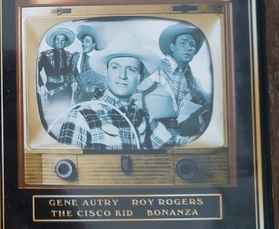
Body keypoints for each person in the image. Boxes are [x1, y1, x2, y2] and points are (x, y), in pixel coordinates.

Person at [57, 32, 197, 150]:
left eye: (131, 69)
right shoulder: (80, 116)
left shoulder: (143, 118)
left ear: (139, 77)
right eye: (115, 67)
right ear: (106, 71)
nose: (122, 75)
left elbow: (172, 144)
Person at [139, 23, 211, 136]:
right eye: (183, 43)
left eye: (192, 44)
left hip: (175, 129)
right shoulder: (156, 67)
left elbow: (209, 98)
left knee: (216, 104)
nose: (188, 47)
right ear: (172, 47)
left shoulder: (189, 77)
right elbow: (128, 86)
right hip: (153, 131)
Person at [37, 27, 75, 111]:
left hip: (67, 90)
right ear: (54, 41)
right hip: (51, 89)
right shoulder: (45, 54)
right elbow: (35, 72)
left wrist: (73, 81)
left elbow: (71, 72)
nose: (60, 42)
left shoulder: (70, 55)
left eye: (63, 40)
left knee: (65, 112)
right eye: (57, 39)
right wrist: (42, 85)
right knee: (53, 112)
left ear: (65, 42)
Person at [69, 24, 106, 103]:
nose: (84, 44)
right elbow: (71, 73)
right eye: (83, 41)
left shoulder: (101, 59)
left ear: (94, 44)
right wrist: (73, 81)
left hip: (98, 97)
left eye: (87, 41)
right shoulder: (77, 57)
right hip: (80, 97)